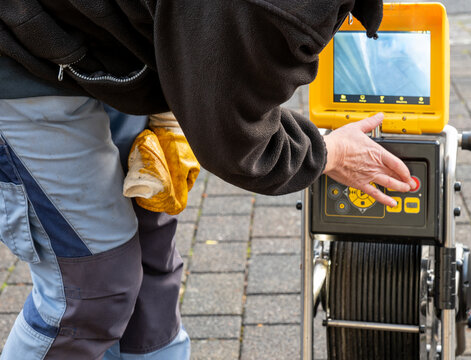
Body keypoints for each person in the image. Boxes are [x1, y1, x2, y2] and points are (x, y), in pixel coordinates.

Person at [0, 0, 415, 359]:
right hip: (20, 49)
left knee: (149, 237)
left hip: (100, 41)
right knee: (93, 291)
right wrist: (328, 152)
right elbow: (234, 139)